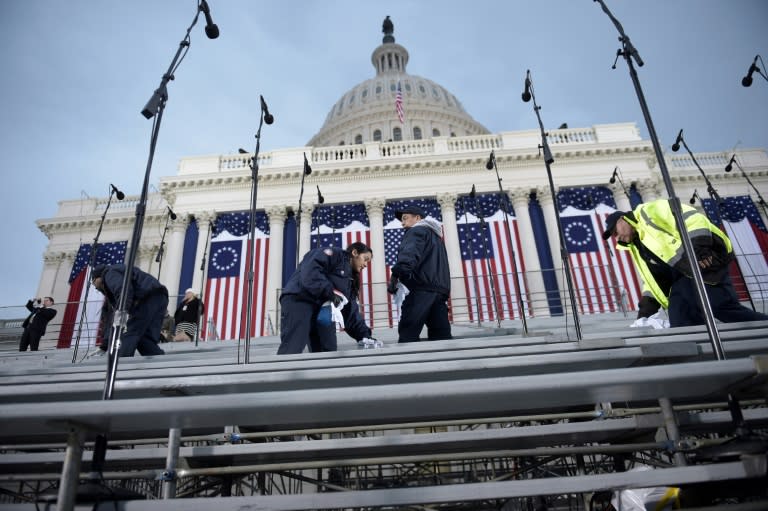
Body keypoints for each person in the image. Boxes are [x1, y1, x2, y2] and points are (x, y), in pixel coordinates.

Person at [602, 198, 768, 328]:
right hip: (682, 279)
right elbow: (654, 279)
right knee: (680, 319)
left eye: (615, 231)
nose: (616, 236)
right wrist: (647, 306)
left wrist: (700, 249)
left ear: (623, 219)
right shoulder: (637, 247)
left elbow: (689, 217)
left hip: (704, 262)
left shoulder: (647, 211)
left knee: (721, 308)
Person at [277, 242, 375, 354]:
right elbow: (310, 271)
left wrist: (364, 335)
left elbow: (349, 311)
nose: (366, 265)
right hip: (300, 298)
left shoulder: (348, 282)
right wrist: (330, 292)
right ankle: (281, 370)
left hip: (323, 309)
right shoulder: (334, 254)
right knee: (294, 343)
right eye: (365, 259)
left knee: (328, 348)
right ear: (354, 253)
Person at [388, 205, 452, 343]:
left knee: (408, 333)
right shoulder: (436, 238)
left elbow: (409, 254)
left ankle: (409, 364)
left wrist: (395, 276)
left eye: (405, 218)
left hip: (420, 289)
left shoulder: (416, 231)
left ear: (417, 218)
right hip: (439, 291)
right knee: (441, 336)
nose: (402, 223)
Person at [91, 264, 168, 357]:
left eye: (93, 282)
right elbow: (112, 320)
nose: (96, 287)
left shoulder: (109, 274)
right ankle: (159, 363)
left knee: (128, 332)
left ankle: (121, 365)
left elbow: (124, 291)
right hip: (160, 296)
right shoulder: (117, 274)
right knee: (144, 339)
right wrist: (104, 346)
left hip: (146, 298)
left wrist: (122, 312)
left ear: (97, 278)